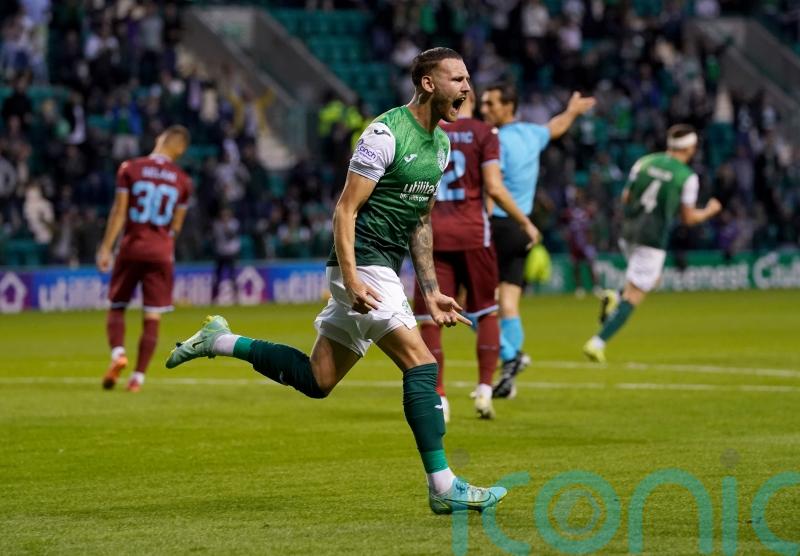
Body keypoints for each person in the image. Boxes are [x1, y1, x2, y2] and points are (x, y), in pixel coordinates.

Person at [165, 48, 507, 514]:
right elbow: (345, 209)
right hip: (362, 263)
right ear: (429, 83)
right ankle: (444, 487)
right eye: (458, 79)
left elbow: (420, 222)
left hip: (383, 266)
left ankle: (220, 340)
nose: (468, 88)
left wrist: (430, 290)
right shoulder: (385, 134)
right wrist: (350, 278)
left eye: (468, 79)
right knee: (421, 364)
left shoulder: (441, 146)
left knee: (317, 378)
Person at [413, 89, 539, 422]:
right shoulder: (485, 133)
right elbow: (494, 188)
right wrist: (525, 221)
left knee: (430, 318)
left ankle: (439, 396)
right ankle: (484, 390)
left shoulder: (426, 130)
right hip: (474, 234)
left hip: (432, 235)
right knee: (486, 311)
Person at [480, 83, 595, 398]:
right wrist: (571, 111)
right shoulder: (531, 134)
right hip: (521, 231)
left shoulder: (492, 141)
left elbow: (493, 189)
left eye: (491, 104)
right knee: (509, 304)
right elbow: (554, 128)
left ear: (509, 106)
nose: (484, 109)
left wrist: (482, 224)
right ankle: (508, 379)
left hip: (498, 226)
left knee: (471, 302)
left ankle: (510, 355)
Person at [583, 124, 722, 363]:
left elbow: (626, 197)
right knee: (636, 294)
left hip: (628, 232)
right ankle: (597, 342)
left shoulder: (644, 162)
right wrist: (710, 211)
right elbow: (688, 218)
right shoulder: (687, 177)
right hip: (653, 238)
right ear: (689, 147)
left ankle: (615, 296)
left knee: (650, 280)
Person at [97, 125, 192, 392]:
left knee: (117, 305)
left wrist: (105, 248)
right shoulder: (183, 180)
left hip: (131, 247)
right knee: (152, 316)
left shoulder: (130, 168)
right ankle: (138, 378)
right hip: (161, 251)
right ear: (181, 149)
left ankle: (118, 354)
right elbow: (177, 225)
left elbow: (119, 211)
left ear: (159, 139)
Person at [211, 207, 241, 304]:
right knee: (217, 277)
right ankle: (214, 298)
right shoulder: (216, 224)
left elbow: (231, 235)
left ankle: (236, 298)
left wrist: (226, 226)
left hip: (231, 253)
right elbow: (215, 238)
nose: (224, 217)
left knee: (233, 276)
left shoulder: (234, 223)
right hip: (220, 253)